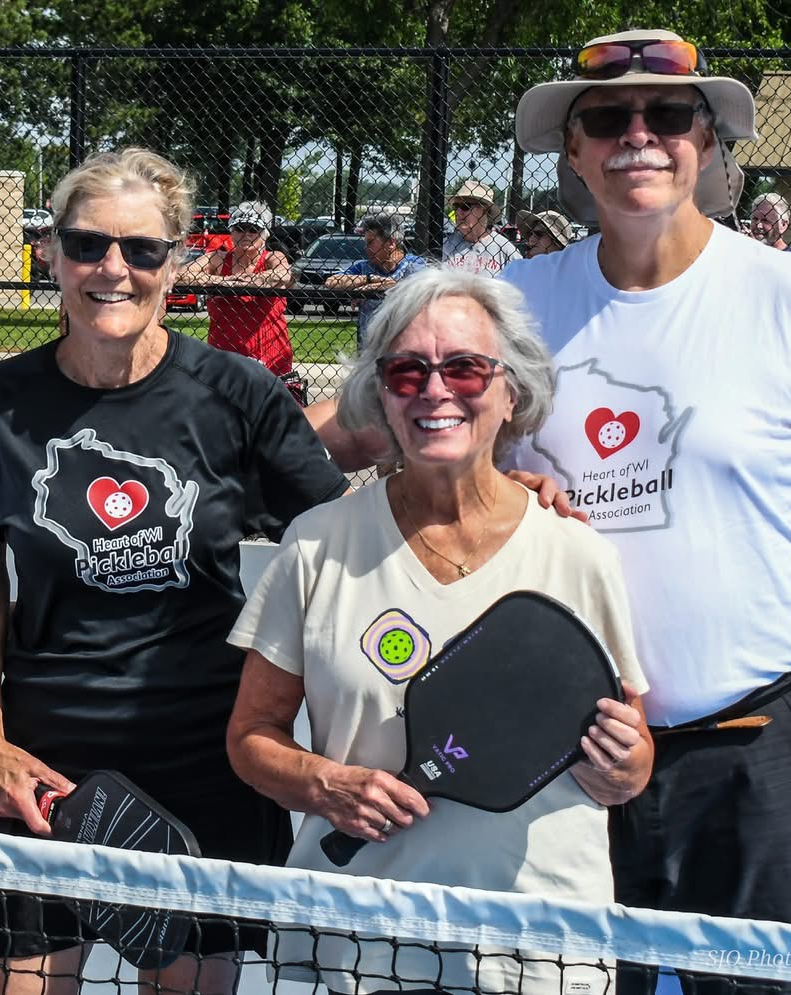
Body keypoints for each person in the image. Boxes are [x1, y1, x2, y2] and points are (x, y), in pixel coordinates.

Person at [502, 27, 791, 992]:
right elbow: (432, 456)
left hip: (755, 753)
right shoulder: (514, 303)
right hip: (565, 758)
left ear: (708, 141)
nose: (638, 137)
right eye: (608, 119)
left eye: (668, 116)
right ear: (574, 151)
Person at [0, 147, 348, 995]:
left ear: (177, 259)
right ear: (50, 253)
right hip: (45, 763)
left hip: (206, 759)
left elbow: (344, 538)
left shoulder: (237, 393)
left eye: (142, 250)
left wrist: (496, 490)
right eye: (87, 245)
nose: (112, 269)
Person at [227, 268, 651, 995]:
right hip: (355, 942)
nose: (435, 390)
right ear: (380, 395)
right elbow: (251, 738)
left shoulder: (579, 555)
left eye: (465, 367)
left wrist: (626, 766)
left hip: (536, 952)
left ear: (510, 390)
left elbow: (633, 755)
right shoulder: (316, 544)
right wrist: (326, 784)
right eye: (406, 370)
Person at [179, 200, 296, 378]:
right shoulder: (218, 258)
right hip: (223, 356)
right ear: (231, 232)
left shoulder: (273, 257)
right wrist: (225, 282)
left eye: (253, 229)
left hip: (271, 358)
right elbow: (181, 275)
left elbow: (283, 275)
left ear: (264, 234)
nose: (246, 234)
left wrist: (241, 282)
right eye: (240, 228)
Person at [325, 213, 427, 348]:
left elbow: (420, 286)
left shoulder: (414, 264)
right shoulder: (364, 266)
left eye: (370, 242)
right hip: (368, 349)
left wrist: (381, 287)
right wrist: (368, 279)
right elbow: (331, 282)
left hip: (404, 347)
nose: (366, 248)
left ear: (391, 243)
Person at [442, 179, 519, 274]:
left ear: (485, 210)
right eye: (456, 206)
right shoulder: (444, 246)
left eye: (465, 206)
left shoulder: (505, 250)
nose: (458, 212)